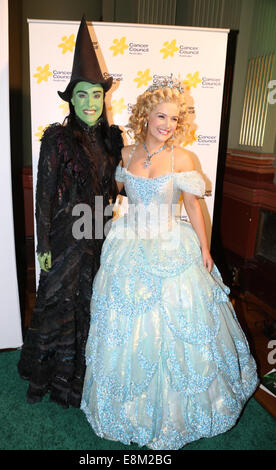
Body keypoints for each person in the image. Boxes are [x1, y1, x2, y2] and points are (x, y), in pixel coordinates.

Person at [80, 79, 258, 449]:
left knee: (180, 325)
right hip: (129, 243)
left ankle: (183, 408)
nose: (167, 125)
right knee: (126, 323)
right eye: (161, 116)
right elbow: (112, 195)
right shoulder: (126, 155)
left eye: (175, 119)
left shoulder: (184, 159)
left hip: (171, 245)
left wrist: (205, 250)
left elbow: (194, 206)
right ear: (145, 115)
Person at [17, 17, 123, 408]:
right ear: (71, 99)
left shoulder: (113, 141)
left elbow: (113, 192)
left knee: (86, 305)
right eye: (82, 95)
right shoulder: (57, 140)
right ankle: (45, 378)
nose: (91, 103)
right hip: (64, 237)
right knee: (56, 303)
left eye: (96, 95)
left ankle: (76, 381)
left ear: (103, 98)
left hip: (97, 236)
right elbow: (43, 195)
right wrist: (42, 242)